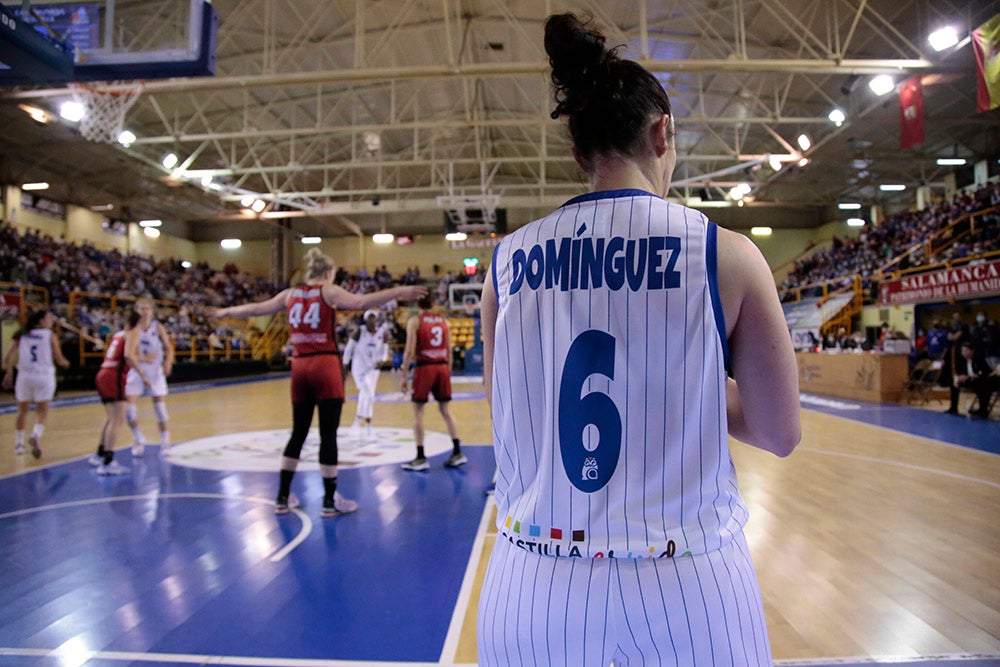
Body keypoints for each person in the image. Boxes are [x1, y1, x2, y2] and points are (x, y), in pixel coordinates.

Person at [477, 14, 800, 666]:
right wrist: (688, 395)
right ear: (662, 134)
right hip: (687, 575)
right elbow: (778, 430)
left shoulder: (504, 264)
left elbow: (510, 411)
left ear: (578, 155)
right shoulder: (727, 254)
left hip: (531, 579)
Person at [210, 248, 426, 516]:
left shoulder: (290, 294)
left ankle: (282, 496)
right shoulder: (327, 291)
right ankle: (328, 500)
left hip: (299, 367)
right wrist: (398, 292)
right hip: (324, 365)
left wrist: (225, 311)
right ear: (326, 274)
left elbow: (256, 308)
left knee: (298, 433)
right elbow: (360, 303)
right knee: (328, 435)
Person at [399, 293, 466, 471]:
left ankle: (421, 457)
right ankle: (458, 452)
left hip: (425, 367)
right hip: (442, 367)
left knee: (418, 412)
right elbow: (449, 350)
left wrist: (404, 374)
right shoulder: (445, 322)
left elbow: (409, 350)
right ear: (434, 303)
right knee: (446, 410)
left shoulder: (416, 321)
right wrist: (447, 371)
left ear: (418, 303)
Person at [2, 309, 71, 458]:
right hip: (43, 377)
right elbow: (59, 359)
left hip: (24, 376)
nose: (52, 320)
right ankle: (35, 435)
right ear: (40, 321)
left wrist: (8, 373)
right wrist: (66, 363)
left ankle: (19, 444)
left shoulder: (22, 333)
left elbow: (8, 357)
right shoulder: (50, 336)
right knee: (42, 412)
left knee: (22, 411)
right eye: (49, 318)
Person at [90, 310, 145, 475]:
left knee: (111, 419)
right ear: (139, 322)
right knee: (118, 420)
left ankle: (100, 454)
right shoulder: (133, 333)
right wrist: (143, 375)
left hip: (103, 374)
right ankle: (108, 462)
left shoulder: (118, 334)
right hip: (114, 376)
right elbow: (128, 356)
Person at [124, 298, 175, 456]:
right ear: (136, 311)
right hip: (137, 370)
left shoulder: (158, 327)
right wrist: (143, 359)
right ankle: (138, 438)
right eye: (141, 308)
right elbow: (128, 354)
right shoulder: (131, 329)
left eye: (147, 308)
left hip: (155, 371)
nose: (144, 312)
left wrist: (168, 362)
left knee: (159, 408)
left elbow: (169, 348)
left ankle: (165, 441)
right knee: (129, 409)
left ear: (152, 312)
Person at [343, 310, 391, 442]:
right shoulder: (360, 331)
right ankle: (362, 421)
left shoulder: (382, 333)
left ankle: (363, 423)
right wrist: (345, 364)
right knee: (368, 392)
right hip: (359, 368)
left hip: (373, 369)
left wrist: (383, 359)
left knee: (368, 394)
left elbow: (385, 351)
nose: (372, 320)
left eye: (373, 318)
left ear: (376, 319)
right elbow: (348, 348)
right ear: (365, 320)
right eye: (369, 318)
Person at [945, 341, 997, 418]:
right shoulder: (961, 360)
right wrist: (959, 378)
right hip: (968, 380)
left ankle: (983, 410)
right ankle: (953, 407)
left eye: (966, 350)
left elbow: (986, 372)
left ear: (972, 351)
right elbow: (958, 371)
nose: (964, 353)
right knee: (953, 382)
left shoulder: (978, 358)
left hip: (980, 381)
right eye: (963, 351)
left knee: (981, 384)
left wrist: (975, 375)